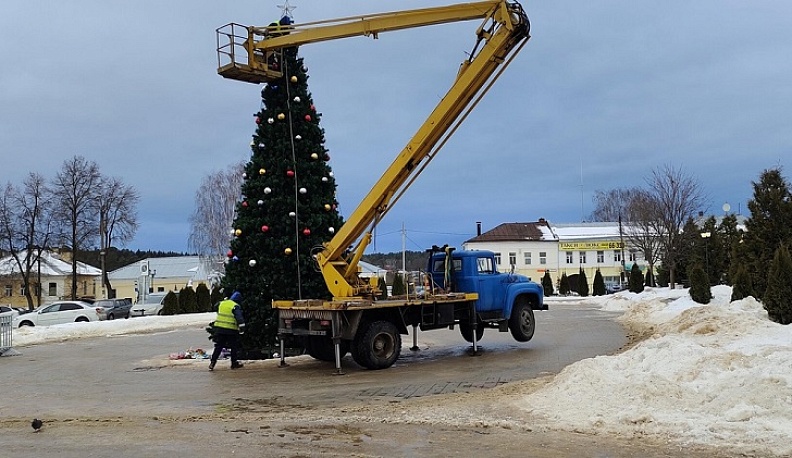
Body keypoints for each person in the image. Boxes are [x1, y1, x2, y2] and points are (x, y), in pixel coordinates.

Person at [209, 291, 246, 371]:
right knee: (234, 347)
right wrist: (242, 329)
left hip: (220, 329)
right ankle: (234, 363)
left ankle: (212, 362)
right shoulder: (235, 306)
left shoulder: (222, 303)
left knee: (219, 346)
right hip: (230, 330)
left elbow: (216, 306)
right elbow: (239, 318)